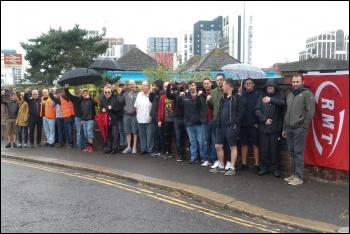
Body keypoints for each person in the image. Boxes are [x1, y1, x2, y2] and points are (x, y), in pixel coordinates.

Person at [282, 73, 315, 185]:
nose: (295, 84)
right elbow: (287, 113)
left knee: (298, 152)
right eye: (294, 82)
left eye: (297, 82)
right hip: (289, 128)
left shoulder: (307, 94)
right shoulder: (290, 95)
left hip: (299, 129)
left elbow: (310, 112)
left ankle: (299, 176)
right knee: (291, 152)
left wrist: (304, 126)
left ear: (302, 82)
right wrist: (284, 128)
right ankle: (294, 173)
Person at [210, 78, 246, 175]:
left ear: (229, 86)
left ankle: (232, 167)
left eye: (224, 84)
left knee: (232, 146)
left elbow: (241, 112)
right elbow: (220, 110)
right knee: (218, 145)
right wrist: (218, 121)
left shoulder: (238, 97)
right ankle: (221, 165)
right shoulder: (223, 97)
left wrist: (235, 122)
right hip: (221, 125)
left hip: (231, 125)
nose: (222, 86)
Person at [254, 78, 286, 178]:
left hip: (275, 129)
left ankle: (275, 168)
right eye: (268, 86)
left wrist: (271, 100)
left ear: (275, 87)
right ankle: (265, 167)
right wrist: (264, 120)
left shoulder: (280, 96)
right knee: (264, 149)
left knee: (274, 150)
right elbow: (257, 109)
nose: (269, 88)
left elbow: (282, 104)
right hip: (263, 128)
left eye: (271, 87)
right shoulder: (261, 96)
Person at [207, 73, 230, 169]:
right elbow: (211, 106)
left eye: (221, 80)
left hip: (226, 120)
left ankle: (228, 161)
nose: (219, 81)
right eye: (218, 80)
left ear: (224, 80)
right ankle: (218, 161)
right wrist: (208, 101)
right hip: (216, 119)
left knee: (228, 142)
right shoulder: (213, 92)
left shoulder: (228, 91)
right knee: (217, 143)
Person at [177, 80, 204, 164]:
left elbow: (198, 106)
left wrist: (198, 96)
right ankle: (194, 157)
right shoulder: (185, 96)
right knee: (192, 142)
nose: (191, 87)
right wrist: (179, 98)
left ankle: (203, 157)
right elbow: (180, 107)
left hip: (199, 122)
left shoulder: (200, 95)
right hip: (189, 123)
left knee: (201, 141)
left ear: (195, 86)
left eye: (192, 85)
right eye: (189, 86)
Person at [237, 78, 261, 173]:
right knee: (244, 144)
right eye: (246, 83)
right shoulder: (241, 94)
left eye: (249, 83)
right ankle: (244, 164)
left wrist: (257, 122)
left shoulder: (258, 95)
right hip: (243, 124)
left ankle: (256, 164)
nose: (248, 84)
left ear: (253, 84)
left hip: (253, 124)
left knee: (255, 144)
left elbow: (260, 109)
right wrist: (238, 94)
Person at [166, 80, 187, 162]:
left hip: (186, 118)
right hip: (177, 118)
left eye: (180, 84)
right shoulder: (175, 93)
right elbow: (168, 95)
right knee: (178, 137)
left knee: (187, 137)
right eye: (177, 84)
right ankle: (179, 154)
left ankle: (191, 154)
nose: (178, 85)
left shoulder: (188, 93)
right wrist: (168, 86)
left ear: (184, 85)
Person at [100, 85, 123, 154]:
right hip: (106, 120)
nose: (107, 93)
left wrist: (112, 108)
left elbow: (119, 110)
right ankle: (109, 147)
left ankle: (114, 148)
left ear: (111, 92)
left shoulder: (114, 100)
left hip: (114, 120)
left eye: (108, 92)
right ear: (104, 93)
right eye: (106, 92)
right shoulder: (103, 100)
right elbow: (101, 109)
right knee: (108, 134)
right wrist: (102, 109)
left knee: (115, 135)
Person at [65, 86, 88, 150]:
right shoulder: (74, 98)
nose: (77, 90)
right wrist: (66, 88)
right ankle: (79, 145)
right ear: (75, 91)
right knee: (79, 131)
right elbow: (68, 94)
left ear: (80, 90)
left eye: (78, 89)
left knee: (85, 131)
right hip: (78, 116)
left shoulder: (83, 98)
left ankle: (85, 144)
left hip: (85, 116)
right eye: (76, 90)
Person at [134, 81, 154, 155]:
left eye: (145, 85)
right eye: (142, 85)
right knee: (142, 134)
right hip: (140, 117)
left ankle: (150, 149)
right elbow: (136, 106)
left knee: (150, 134)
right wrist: (137, 114)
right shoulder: (139, 95)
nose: (143, 87)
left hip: (149, 118)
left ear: (148, 86)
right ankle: (143, 149)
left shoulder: (151, 95)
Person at [121, 80, 139, 154]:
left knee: (135, 131)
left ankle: (134, 147)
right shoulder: (125, 93)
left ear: (135, 84)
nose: (132, 85)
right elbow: (120, 101)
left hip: (134, 114)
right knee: (127, 131)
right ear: (128, 85)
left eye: (133, 84)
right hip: (126, 114)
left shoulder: (139, 93)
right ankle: (128, 147)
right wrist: (119, 93)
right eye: (130, 84)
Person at [199, 78, 214, 166]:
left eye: (207, 83)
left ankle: (214, 159)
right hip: (205, 120)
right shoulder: (201, 95)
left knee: (214, 141)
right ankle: (207, 159)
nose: (206, 85)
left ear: (211, 83)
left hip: (214, 119)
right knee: (206, 141)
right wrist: (198, 96)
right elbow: (197, 106)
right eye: (204, 84)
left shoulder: (215, 93)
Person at [149, 79, 166, 157]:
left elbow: (161, 106)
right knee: (156, 133)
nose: (154, 86)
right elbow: (151, 100)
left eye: (155, 85)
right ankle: (157, 149)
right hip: (154, 115)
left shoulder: (162, 93)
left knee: (160, 134)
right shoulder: (156, 92)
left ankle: (162, 150)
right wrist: (152, 93)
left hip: (158, 116)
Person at [158, 81, 173, 159]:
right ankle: (168, 152)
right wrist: (159, 120)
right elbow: (160, 109)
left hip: (174, 119)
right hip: (166, 119)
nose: (167, 88)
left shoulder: (174, 95)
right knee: (166, 136)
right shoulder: (162, 97)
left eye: (168, 86)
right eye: (165, 87)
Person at [116, 80, 127, 150]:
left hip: (125, 113)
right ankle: (122, 143)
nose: (122, 87)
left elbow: (121, 101)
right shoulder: (116, 94)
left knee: (126, 129)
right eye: (120, 85)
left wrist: (119, 94)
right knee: (120, 129)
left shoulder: (127, 93)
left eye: (123, 85)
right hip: (119, 114)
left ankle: (126, 144)